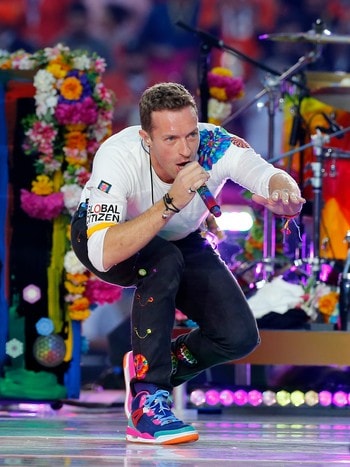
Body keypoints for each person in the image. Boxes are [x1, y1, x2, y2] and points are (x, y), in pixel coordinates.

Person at [71, 82, 305, 445]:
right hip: (108, 237)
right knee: (163, 260)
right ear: (146, 139)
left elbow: (265, 173)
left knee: (238, 337)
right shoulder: (117, 156)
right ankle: (147, 401)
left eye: (191, 135)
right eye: (170, 139)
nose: (186, 149)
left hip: (180, 238)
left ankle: (148, 369)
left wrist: (285, 192)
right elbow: (104, 253)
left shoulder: (214, 144)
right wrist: (171, 202)